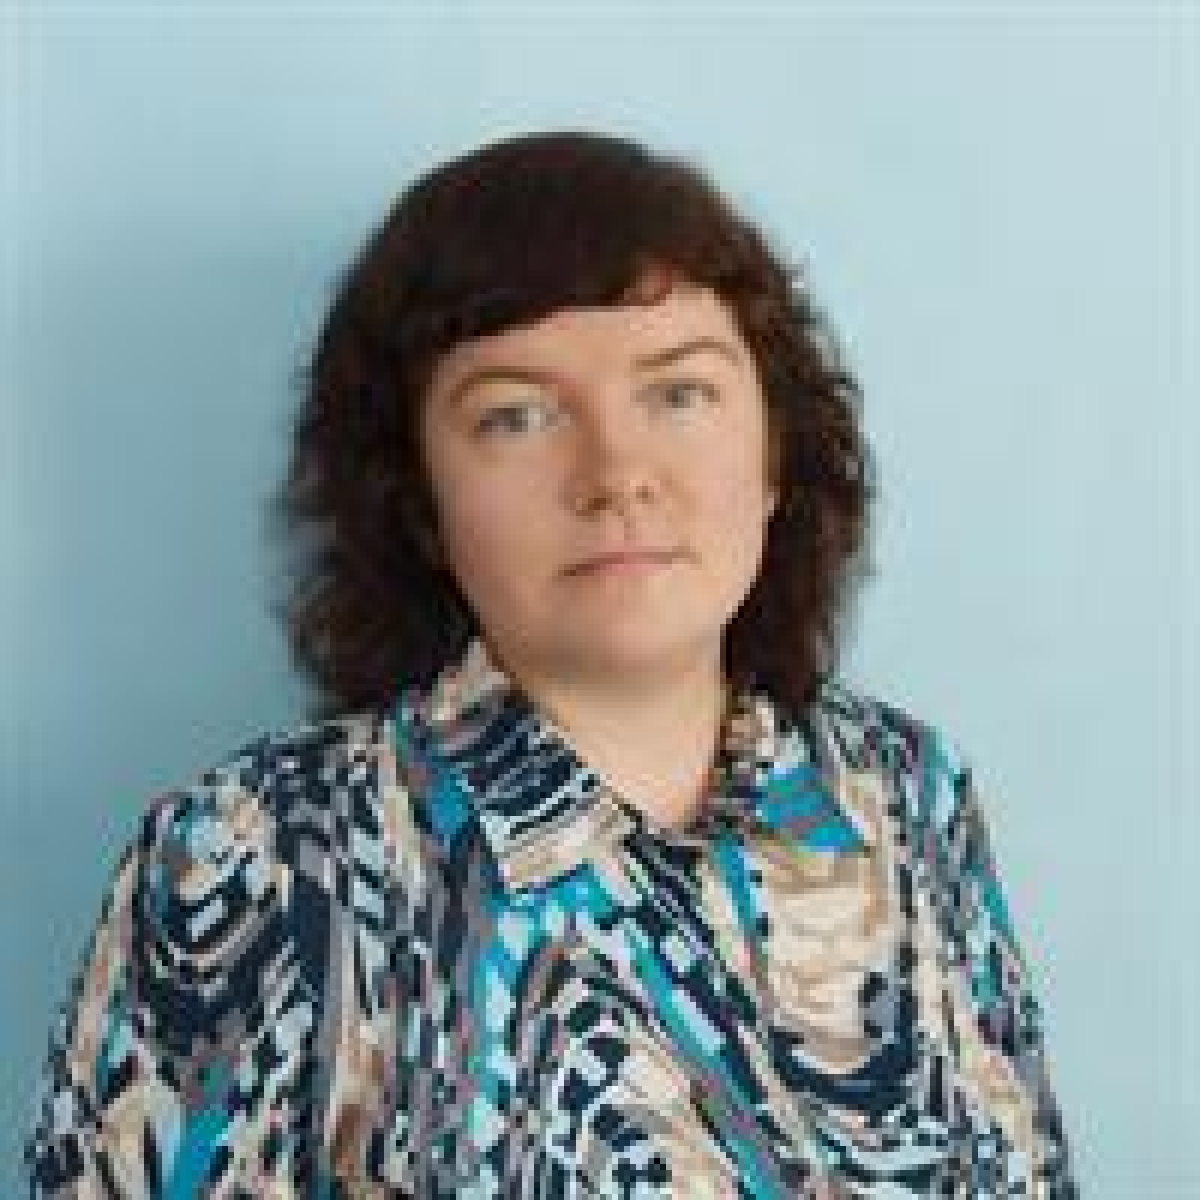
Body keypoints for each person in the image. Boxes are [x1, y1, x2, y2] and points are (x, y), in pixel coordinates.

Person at [24, 130, 1077, 1198]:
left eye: (680, 394)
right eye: (515, 416)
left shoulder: (906, 795)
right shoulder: (254, 857)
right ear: (418, 499)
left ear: (774, 455)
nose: (617, 474)